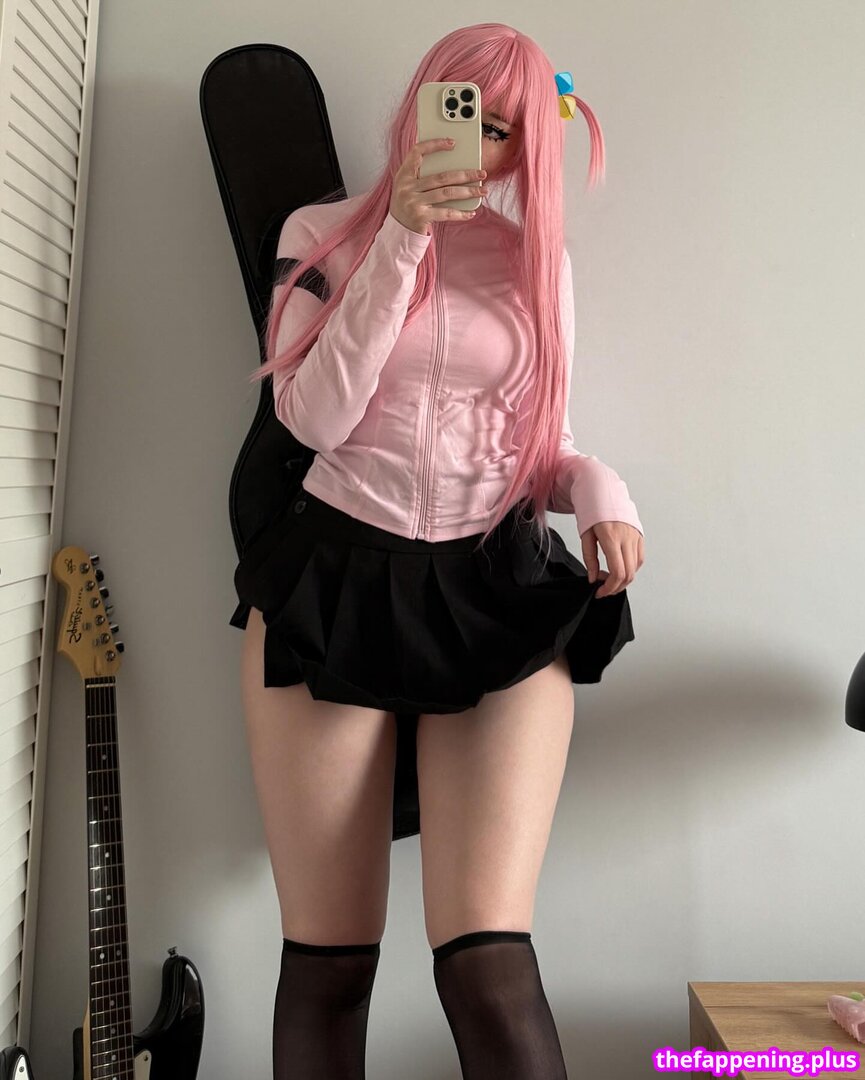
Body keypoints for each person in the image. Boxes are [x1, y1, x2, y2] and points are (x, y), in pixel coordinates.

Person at [230, 21, 646, 1080]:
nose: (476, 141)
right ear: (422, 102)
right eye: (457, 109)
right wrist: (402, 237)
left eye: (502, 129)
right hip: (333, 581)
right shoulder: (319, 232)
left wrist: (599, 491)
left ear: (525, 147)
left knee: (487, 969)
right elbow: (312, 418)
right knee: (329, 968)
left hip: (493, 586)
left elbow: (535, 444)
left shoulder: (531, 260)